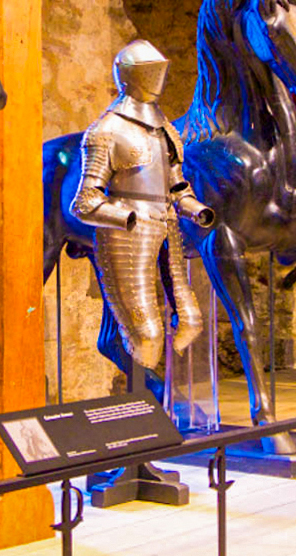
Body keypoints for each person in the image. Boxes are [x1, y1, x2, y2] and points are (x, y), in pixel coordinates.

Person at [72, 40, 215, 373]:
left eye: (159, 71)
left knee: (192, 321)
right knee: (147, 334)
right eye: (149, 72)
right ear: (128, 77)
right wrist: (128, 217)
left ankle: (159, 395)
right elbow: (85, 202)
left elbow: (177, 185)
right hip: (127, 233)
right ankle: (142, 401)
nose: (156, 78)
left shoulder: (165, 131)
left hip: (167, 227)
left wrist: (194, 208)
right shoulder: (106, 131)